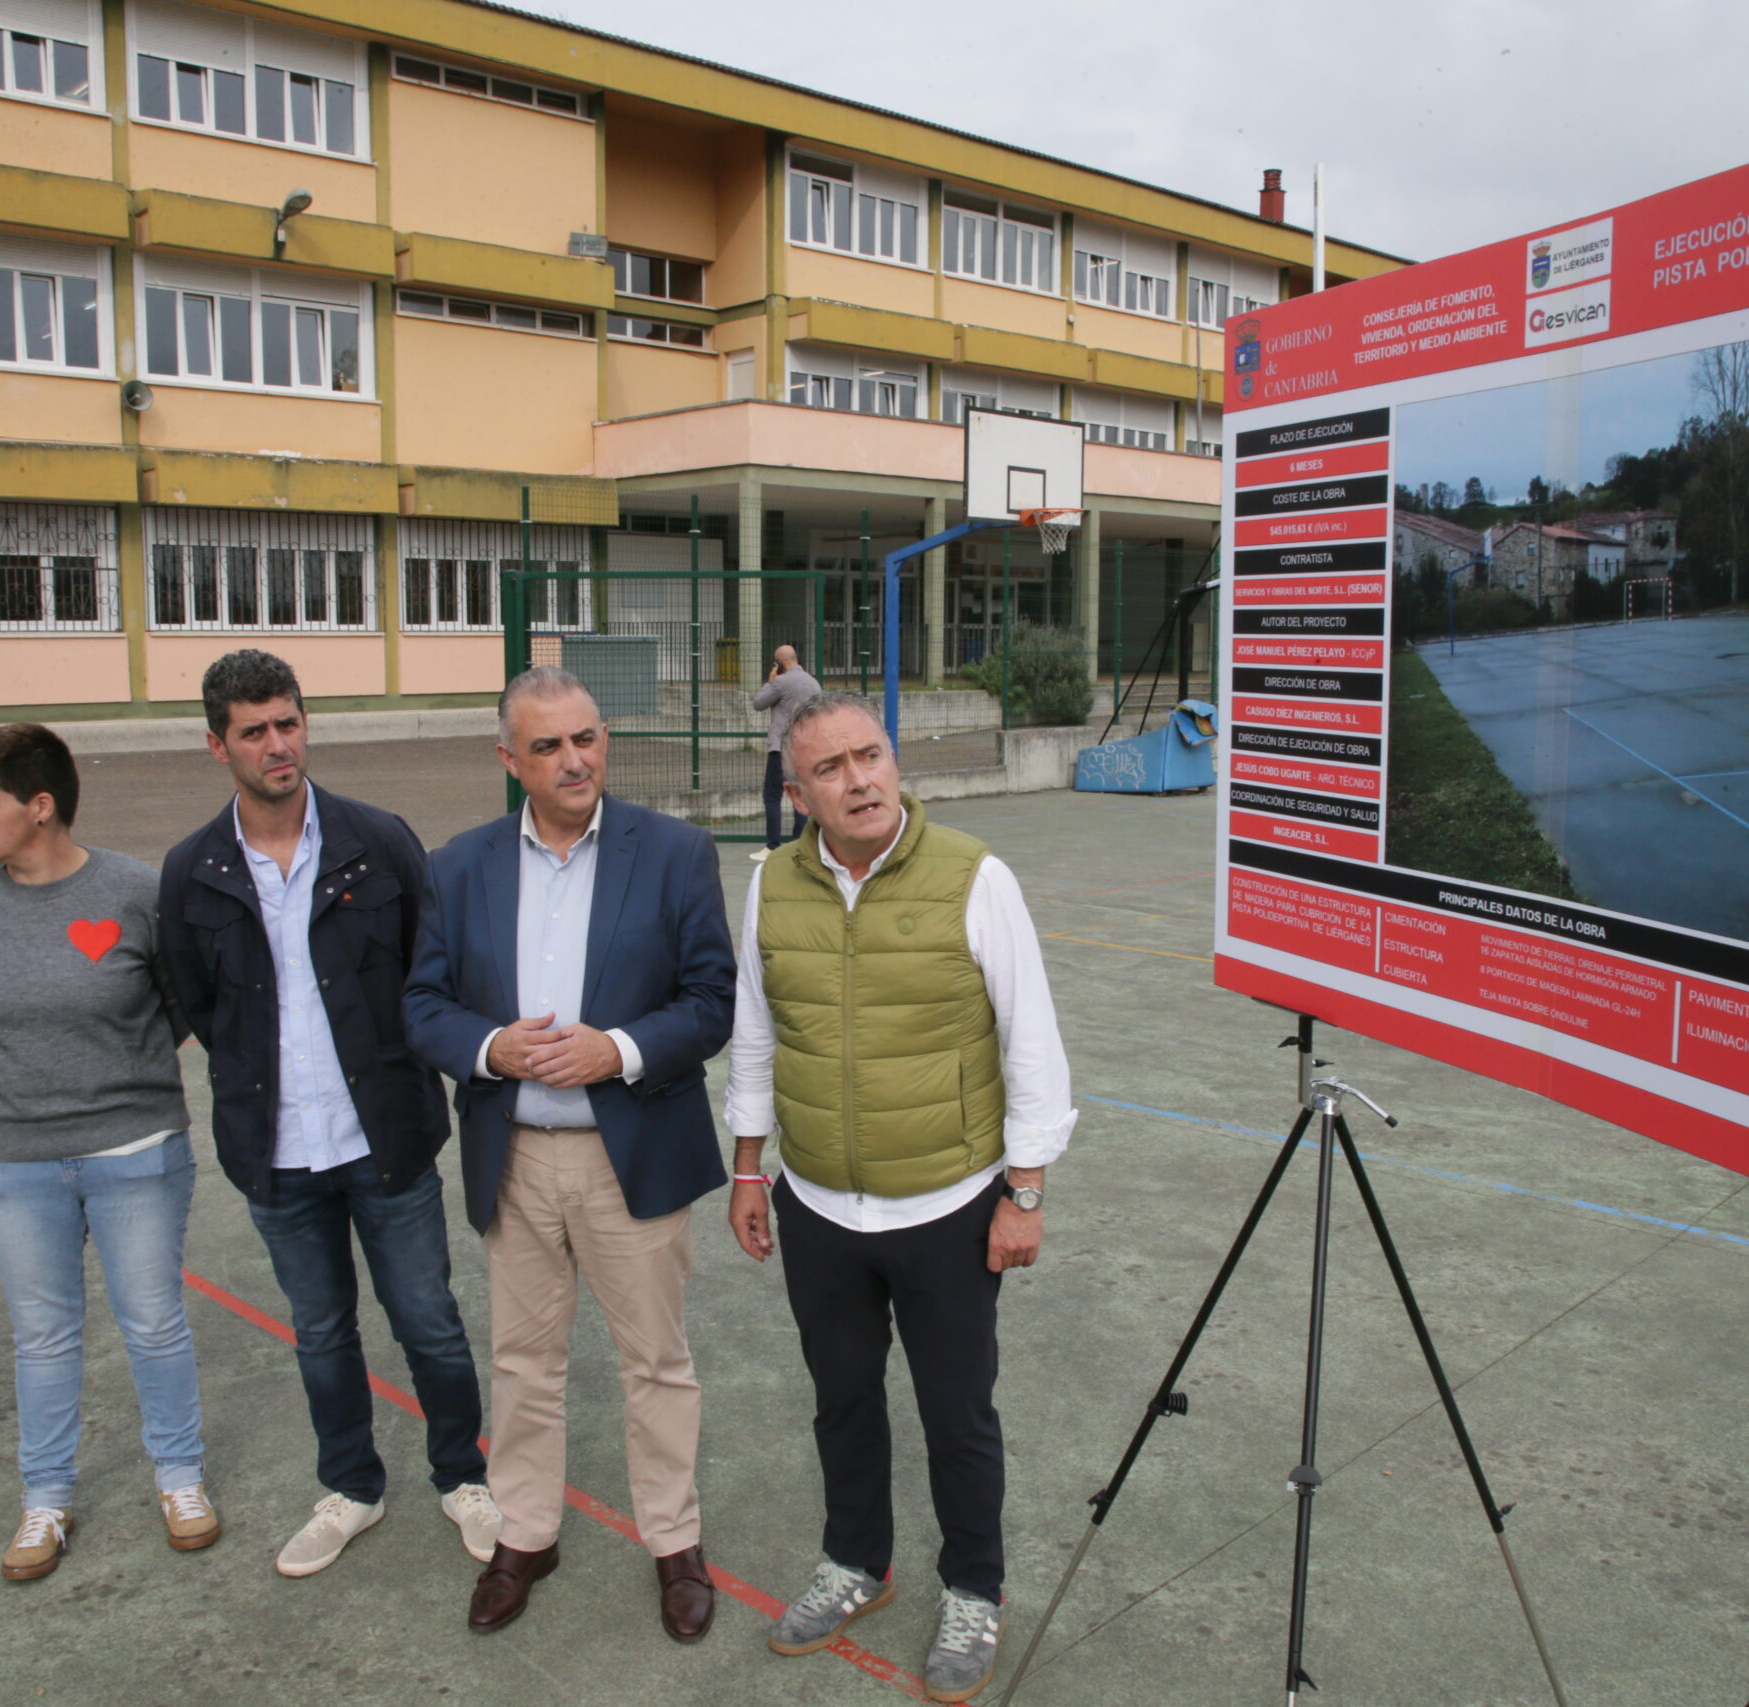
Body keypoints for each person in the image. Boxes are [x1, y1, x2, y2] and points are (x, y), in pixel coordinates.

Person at [724, 690, 1076, 1705]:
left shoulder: (976, 876)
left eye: (870, 756)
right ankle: (854, 1565)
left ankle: (973, 1587)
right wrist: (750, 1169)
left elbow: (1032, 1047)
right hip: (818, 1209)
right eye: (830, 769)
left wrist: (1024, 1192)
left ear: (894, 761)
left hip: (949, 1208)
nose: (860, 779)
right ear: (796, 795)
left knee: (956, 1411)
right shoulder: (771, 889)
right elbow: (754, 1036)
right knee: (841, 1401)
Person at [405, 666, 736, 1639]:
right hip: (516, 1155)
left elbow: (710, 1000)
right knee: (522, 1361)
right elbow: (422, 1004)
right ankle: (528, 1534)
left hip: (627, 1153)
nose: (574, 759)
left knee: (656, 1363)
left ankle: (674, 1542)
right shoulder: (459, 866)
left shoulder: (674, 854)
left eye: (586, 737)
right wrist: (489, 1048)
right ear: (510, 761)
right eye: (547, 745)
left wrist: (617, 1050)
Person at [155, 650, 499, 1580]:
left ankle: (463, 1474)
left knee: (428, 1318)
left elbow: (428, 973)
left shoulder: (376, 840)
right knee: (321, 1331)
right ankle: (351, 1485)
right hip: (275, 1152)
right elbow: (194, 1002)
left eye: (289, 722)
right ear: (216, 743)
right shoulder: (192, 871)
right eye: (255, 730)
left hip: (384, 1136)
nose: (278, 745)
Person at [0, 723, 217, 1580]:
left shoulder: (138, 891)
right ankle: (44, 1498)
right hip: (14, 1161)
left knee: (153, 1320)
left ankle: (180, 1476)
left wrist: (118, 1075)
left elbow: (180, 1002)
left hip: (134, 1148)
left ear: (40, 806)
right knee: (44, 1336)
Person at [749, 643, 821, 859]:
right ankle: (799, 842)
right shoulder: (813, 683)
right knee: (800, 794)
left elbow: (758, 703)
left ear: (779, 663)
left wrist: (770, 681)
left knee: (772, 795)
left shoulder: (780, 682)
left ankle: (772, 845)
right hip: (804, 747)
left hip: (780, 748)